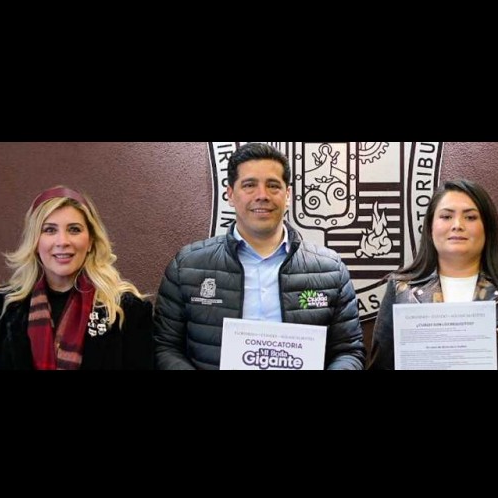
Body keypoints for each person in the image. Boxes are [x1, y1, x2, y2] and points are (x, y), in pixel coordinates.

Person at [154, 142, 365, 370]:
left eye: (273, 186)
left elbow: (349, 351)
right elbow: (166, 347)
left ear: (288, 195)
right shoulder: (187, 266)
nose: (262, 195)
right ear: (230, 194)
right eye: (249, 185)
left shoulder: (330, 269)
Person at [0, 186, 154, 370]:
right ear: (35, 242)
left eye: (74, 229)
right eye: (49, 230)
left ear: (90, 241)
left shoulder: (128, 310)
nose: (63, 241)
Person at [368, 179, 498, 370]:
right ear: (430, 227)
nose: (457, 225)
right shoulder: (401, 289)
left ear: (487, 227)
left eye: (470, 217)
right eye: (446, 216)